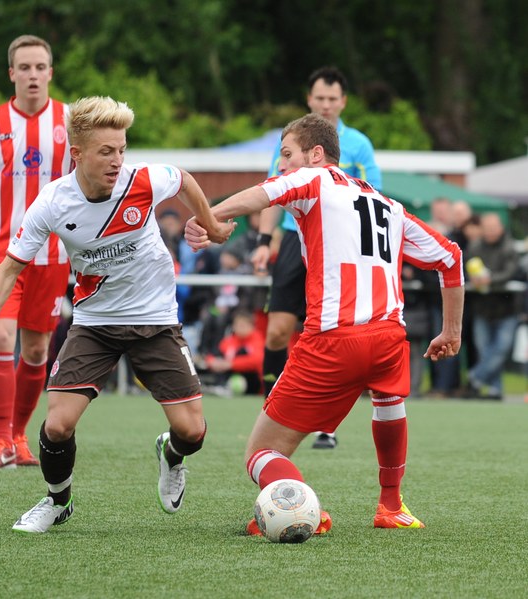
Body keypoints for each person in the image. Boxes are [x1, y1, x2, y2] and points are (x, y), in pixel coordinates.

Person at [0, 96, 234, 533]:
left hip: (155, 321)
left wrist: (211, 225)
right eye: (106, 151)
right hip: (95, 325)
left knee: (192, 432)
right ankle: (56, 501)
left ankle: (171, 454)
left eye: (122, 149)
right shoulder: (53, 203)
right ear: (78, 154)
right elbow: (8, 270)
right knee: (58, 425)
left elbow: (184, 180)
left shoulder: (144, 179)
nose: (117, 160)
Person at [185, 113, 463, 534]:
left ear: (316, 155)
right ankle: (391, 505)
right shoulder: (389, 205)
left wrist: (208, 219)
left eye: (286, 154)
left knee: (260, 453)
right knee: (389, 404)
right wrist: (451, 331)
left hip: (333, 340)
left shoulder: (312, 181)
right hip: (389, 338)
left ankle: (301, 507)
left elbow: (262, 195)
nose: (281, 164)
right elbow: (450, 258)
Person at [252, 66, 382, 450]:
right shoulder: (289, 142)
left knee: (332, 331)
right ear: (310, 100)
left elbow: (374, 199)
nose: (326, 104)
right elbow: (270, 192)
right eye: (319, 98)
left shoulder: (358, 145)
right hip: (294, 239)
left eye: (332, 98)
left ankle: (327, 423)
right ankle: (271, 413)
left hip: (337, 243)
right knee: (277, 331)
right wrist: (263, 240)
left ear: (343, 102)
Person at [0, 35, 72, 469]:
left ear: (50, 72)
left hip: (53, 255)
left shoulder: (69, 120)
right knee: (1, 336)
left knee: (38, 351)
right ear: (12, 73)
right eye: (24, 67)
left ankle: (22, 437)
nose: (32, 75)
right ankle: (0, 440)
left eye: (40, 67)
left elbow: (84, 189)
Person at [464, 212, 520, 399]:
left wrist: (489, 279)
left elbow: (511, 272)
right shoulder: (475, 246)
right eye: (486, 228)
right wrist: (476, 278)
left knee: (500, 349)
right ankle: (495, 389)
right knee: (485, 350)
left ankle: (475, 377)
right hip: (482, 307)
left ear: (500, 228)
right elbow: (468, 267)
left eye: (492, 228)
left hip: (507, 309)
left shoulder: (509, 247)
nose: (489, 232)